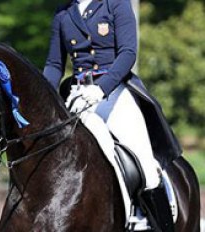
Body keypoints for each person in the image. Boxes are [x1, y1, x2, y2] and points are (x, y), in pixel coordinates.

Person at [43, 0, 179, 231]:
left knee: (145, 163)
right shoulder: (63, 12)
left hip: (114, 91)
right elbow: (55, 64)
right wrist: (44, 99)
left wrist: (101, 88)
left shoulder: (115, 4)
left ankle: (158, 225)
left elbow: (128, 54)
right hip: (78, 94)